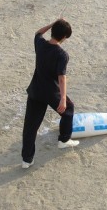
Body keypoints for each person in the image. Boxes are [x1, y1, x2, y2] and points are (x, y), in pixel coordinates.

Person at [21, 19, 79, 169]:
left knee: (30, 128)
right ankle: (64, 140)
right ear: (64, 37)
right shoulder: (62, 55)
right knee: (69, 110)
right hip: (51, 92)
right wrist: (63, 99)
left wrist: (53, 23)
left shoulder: (40, 44)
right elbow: (61, 78)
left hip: (36, 90)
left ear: (52, 31)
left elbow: (38, 32)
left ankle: (27, 160)